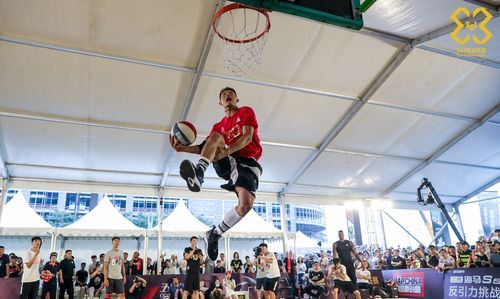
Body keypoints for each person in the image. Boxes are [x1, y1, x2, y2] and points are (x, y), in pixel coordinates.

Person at [171, 87, 263, 261]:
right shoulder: (218, 126)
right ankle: (199, 173)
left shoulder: (245, 111)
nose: (227, 96)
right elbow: (202, 147)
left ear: (237, 99)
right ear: (220, 102)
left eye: (231, 94)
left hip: (247, 162)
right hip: (227, 161)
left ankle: (215, 233)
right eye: (223, 95)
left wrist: (227, 152)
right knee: (215, 137)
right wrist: (182, 148)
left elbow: (248, 137)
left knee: (245, 205)